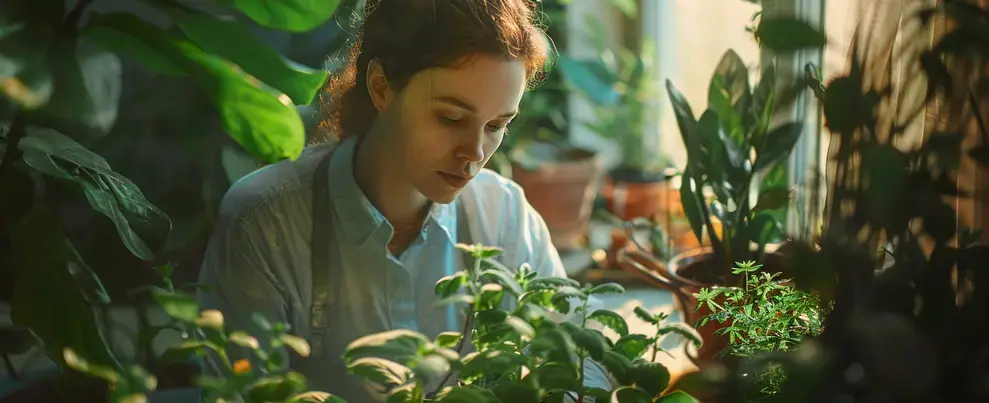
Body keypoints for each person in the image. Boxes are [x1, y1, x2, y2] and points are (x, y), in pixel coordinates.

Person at [196, 0, 611, 401]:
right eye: (450, 118)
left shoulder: (504, 216)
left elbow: (578, 360)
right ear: (381, 87)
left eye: (497, 125)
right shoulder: (265, 222)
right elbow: (237, 391)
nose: (476, 151)